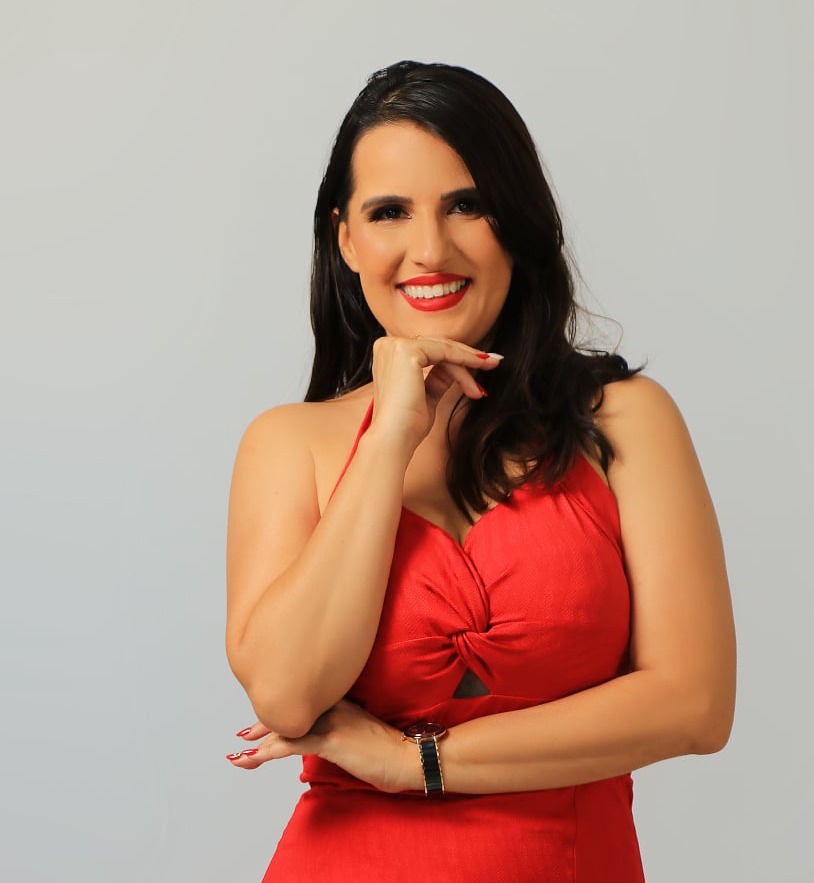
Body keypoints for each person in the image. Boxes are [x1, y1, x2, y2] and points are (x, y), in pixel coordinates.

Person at [223, 60, 736, 882]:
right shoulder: (288, 443)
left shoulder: (623, 420)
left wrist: (415, 761)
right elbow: (286, 694)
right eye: (389, 211)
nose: (430, 249)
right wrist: (389, 436)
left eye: (466, 204)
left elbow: (695, 704)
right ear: (345, 238)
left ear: (517, 221)